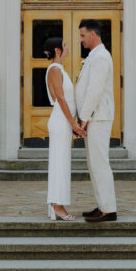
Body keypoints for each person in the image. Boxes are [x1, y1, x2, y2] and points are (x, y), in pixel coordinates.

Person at [74, 19, 118, 223]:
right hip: (94, 116)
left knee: (100, 163)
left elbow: (95, 89)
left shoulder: (101, 56)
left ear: (93, 34)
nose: (81, 40)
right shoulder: (95, 56)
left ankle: (109, 209)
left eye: (83, 35)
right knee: (94, 164)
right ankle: (102, 205)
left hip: (98, 116)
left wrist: (84, 117)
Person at [43, 37, 85, 221]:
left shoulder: (59, 69)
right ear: (57, 50)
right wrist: (73, 123)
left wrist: (73, 123)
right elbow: (61, 99)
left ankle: (57, 204)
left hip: (63, 122)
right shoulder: (54, 69)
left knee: (62, 164)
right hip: (60, 121)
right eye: (65, 47)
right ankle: (57, 206)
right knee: (59, 164)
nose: (67, 49)